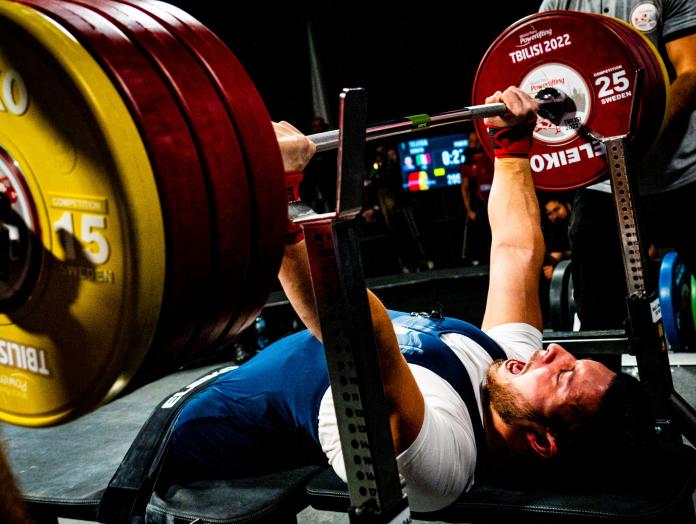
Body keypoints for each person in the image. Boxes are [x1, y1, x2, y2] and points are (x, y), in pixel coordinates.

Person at [168, 89, 655, 512]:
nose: (554, 352)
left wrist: (281, 194)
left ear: (541, 441)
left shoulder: (443, 460)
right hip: (223, 385)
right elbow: (516, 251)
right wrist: (513, 147)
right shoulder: (504, 372)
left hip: (190, 443)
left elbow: (360, 335)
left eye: (565, 376)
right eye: (574, 357)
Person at [538, 0, 696, 329]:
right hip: (602, 178)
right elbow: (541, 80)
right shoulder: (558, 4)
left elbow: (691, 71)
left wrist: (640, 131)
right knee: (597, 311)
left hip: (679, 170)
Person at [460, 131, 494, 265]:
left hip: (495, 200)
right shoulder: (467, 163)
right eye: (471, 141)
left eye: (477, 141)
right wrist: (469, 210)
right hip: (479, 204)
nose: (474, 144)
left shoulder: (490, 156)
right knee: (483, 233)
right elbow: (464, 189)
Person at [541, 198, 572, 281]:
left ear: (568, 206)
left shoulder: (575, 223)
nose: (555, 216)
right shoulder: (554, 231)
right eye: (549, 213)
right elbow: (556, 256)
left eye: (557, 209)